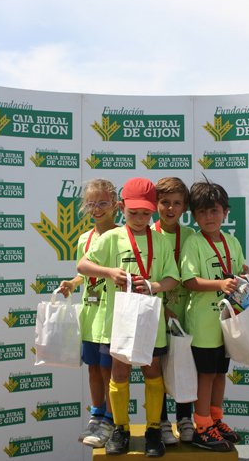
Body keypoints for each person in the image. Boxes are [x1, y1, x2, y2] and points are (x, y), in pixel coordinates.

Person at [77, 177, 180, 458]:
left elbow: (173, 277)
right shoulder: (111, 237)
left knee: (152, 372)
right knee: (120, 373)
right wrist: (109, 272)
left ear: (153, 212)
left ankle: (152, 429)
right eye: (133, 212)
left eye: (146, 213)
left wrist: (154, 286)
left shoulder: (159, 241)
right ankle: (120, 429)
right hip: (119, 319)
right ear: (121, 208)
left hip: (151, 320)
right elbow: (82, 265)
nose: (139, 218)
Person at [181, 178, 249, 451]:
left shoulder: (232, 241)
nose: (209, 217)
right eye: (202, 212)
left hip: (227, 323)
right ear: (194, 215)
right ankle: (201, 426)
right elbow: (188, 281)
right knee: (206, 375)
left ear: (226, 212)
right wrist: (220, 285)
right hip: (203, 324)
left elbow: (237, 271)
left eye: (214, 211)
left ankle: (215, 418)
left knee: (220, 373)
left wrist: (244, 276)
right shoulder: (194, 243)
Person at [58, 179, 118, 448]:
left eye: (103, 203)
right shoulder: (85, 238)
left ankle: (111, 419)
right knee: (93, 368)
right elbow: (86, 271)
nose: (96, 209)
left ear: (115, 206)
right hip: (92, 315)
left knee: (109, 371)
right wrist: (73, 283)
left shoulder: (124, 235)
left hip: (114, 316)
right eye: (91, 204)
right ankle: (96, 415)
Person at [151, 177, 195, 445]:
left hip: (186, 313)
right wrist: (163, 308)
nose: (170, 208)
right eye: (164, 202)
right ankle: (162, 420)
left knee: (184, 364)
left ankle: (185, 418)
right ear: (155, 203)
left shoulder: (191, 235)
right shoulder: (148, 233)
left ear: (185, 207)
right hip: (157, 312)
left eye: (177, 203)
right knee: (157, 367)